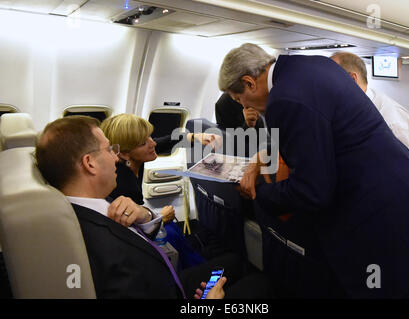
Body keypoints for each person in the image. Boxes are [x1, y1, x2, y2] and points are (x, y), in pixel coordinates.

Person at [218, 43, 409, 298]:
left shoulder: (285, 99)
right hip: (404, 208)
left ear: (249, 82)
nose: (243, 107)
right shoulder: (312, 65)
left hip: (381, 227)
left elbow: (313, 191)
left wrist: (261, 194)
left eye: (239, 99)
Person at [35, 115, 270, 299]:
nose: (115, 157)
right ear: (89, 163)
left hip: (169, 282)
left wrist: (146, 214)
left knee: (235, 264)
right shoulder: (99, 237)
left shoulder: (94, 211)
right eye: (109, 150)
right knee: (260, 286)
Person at [99, 113, 204, 269]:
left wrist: (194, 137)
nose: (152, 143)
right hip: (132, 238)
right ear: (125, 153)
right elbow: (132, 227)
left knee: (174, 231)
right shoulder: (120, 183)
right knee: (172, 233)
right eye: (144, 142)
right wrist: (161, 218)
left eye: (150, 136)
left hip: (140, 224)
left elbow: (163, 142)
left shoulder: (133, 160)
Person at [330, 52, 409, 173]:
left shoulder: (393, 119)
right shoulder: (350, 108)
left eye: (331, 79)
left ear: (352, 79)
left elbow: (401, 172)